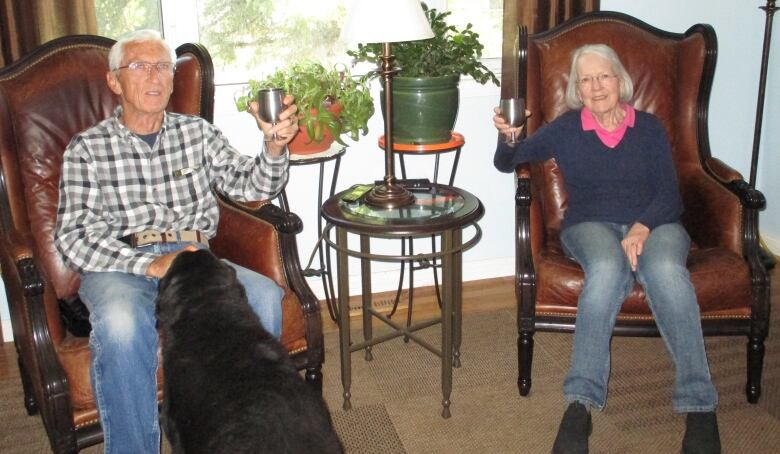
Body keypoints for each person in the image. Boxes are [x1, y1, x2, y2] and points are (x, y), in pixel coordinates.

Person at [54, 29, 300, 454]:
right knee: (121, 322)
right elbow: (72, 237)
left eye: (163, 66)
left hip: (192, 257)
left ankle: (241, 437)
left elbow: (250, 185)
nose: (155, 76)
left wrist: (274, 147)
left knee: (262, 295)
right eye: (140, 66)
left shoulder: (197, 134)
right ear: (114, 82)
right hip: (119, 262)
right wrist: (148, 264)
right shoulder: (87, 149)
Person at [493, 44, 720, 454]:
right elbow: (509, 162)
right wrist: (508, 137)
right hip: (590, 224)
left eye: (604, 76)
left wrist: (642, 226)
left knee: (667, 270)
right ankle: (580, 403)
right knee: (606, 269)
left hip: (657, 222)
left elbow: (670, 193)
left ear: (620, 80)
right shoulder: (566, 127)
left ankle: (699, 403)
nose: (596, 86)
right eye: (586, 79)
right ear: (577, 88)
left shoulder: (648, 127)